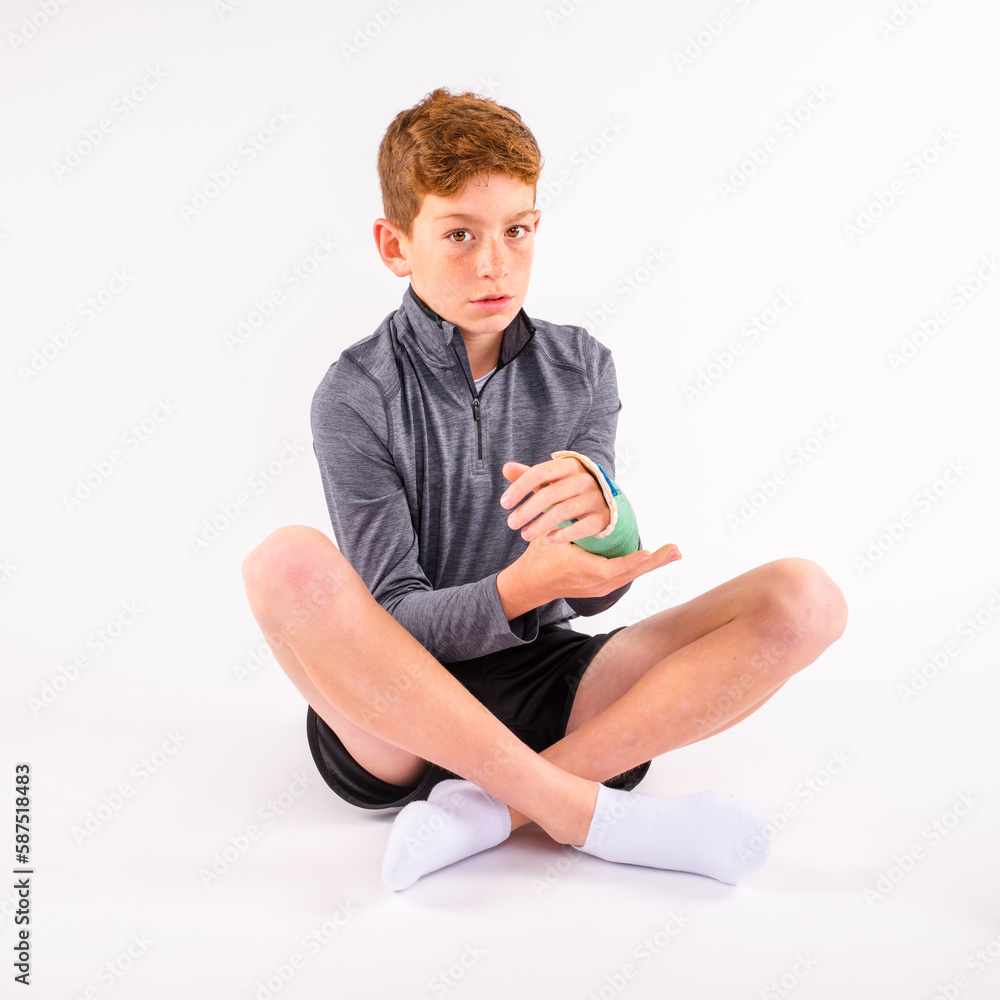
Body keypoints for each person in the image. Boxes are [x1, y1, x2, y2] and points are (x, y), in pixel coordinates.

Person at [241, 87, 848, 892]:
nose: (495, 263)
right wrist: (515, 588)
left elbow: (592, 602)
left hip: (550, 684)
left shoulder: (582, 366)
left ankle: (493, 811)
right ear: (396, 245)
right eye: (459, 234)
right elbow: (392, 620)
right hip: (393, 716)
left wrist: (606, 533)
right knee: (284, 563)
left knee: (807, 599)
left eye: (517, 231)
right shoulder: (354, 393)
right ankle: (579, 811)